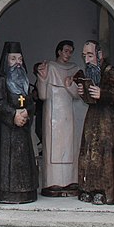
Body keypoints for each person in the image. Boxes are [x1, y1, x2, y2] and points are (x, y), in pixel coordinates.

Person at [74, 40, 114, 205]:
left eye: (90, 55)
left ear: (99, 54)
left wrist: (102, 93)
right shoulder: (90, 72)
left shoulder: (111, 72)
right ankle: (88, 188)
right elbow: (91, 100)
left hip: (107, 121)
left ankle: (106, 192)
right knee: (89, 154)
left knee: (105, 156)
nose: (87, 60)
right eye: (84, 56)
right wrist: (84, 93)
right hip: (93, 118)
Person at [0, 41, 38, 203]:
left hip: (22, 131)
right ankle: (6, 193)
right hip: (6, 133)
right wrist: (13, 115)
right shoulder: (2, 80)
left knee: (24, 163)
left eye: (20, 59)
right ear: (6, 61)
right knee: (6, 166)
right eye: (13, 59)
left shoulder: (24, 80)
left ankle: (26, 192)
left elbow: (30, 101)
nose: (17, 62)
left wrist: (26, 112)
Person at [35, 40, 81, 197]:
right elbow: (42, 95)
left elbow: (78, 95)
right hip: (52, 113)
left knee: (69, 146)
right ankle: (52, 181)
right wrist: (42, 77)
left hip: (69, 113)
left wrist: (69, 85)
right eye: (66, 51)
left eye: (71, 51)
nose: (68, 54)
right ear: (59, 51)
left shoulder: (75, 69)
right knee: (53, 146)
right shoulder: (50, 67)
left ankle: (70, 180)